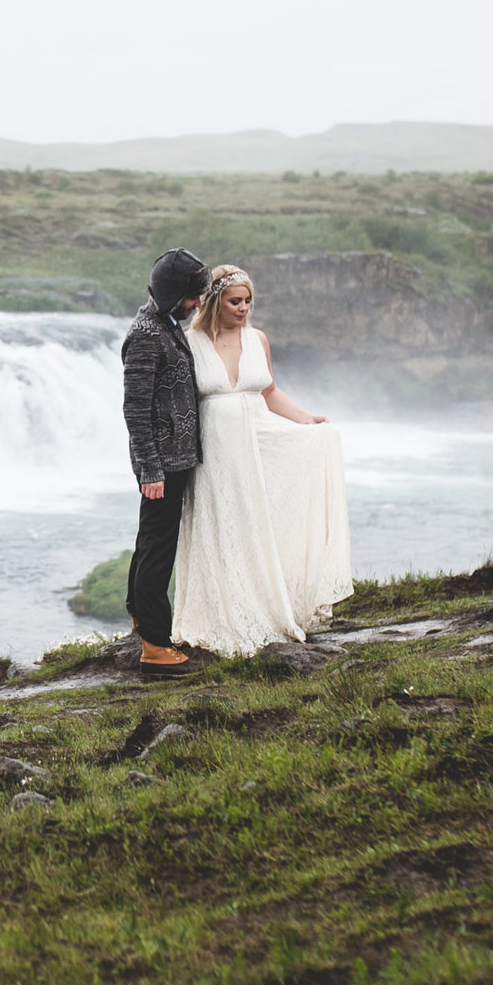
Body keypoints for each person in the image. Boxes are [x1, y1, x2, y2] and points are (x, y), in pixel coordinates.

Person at [170, 263, 354, 654]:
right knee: (224, 530)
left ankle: (268, 611)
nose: (244, 309)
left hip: (257, 443)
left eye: (249, 301)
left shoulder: (259, 340)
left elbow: (269, 392)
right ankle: (225, 617)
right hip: (215, 453)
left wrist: (306, 419)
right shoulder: (191, 341)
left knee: (258, 526)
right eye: (236, 301)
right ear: (216, 301)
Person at [122, 247, 210, 674]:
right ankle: (155, 646)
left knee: (149, 543)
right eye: (192, 296)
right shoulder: (145, 335)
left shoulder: (163, 324)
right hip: (163, 463)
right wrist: (151, 469)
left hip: (172, 458)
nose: (197, 304)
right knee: (159, 549)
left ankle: (141, 619)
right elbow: (135, 409)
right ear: (173, 293)